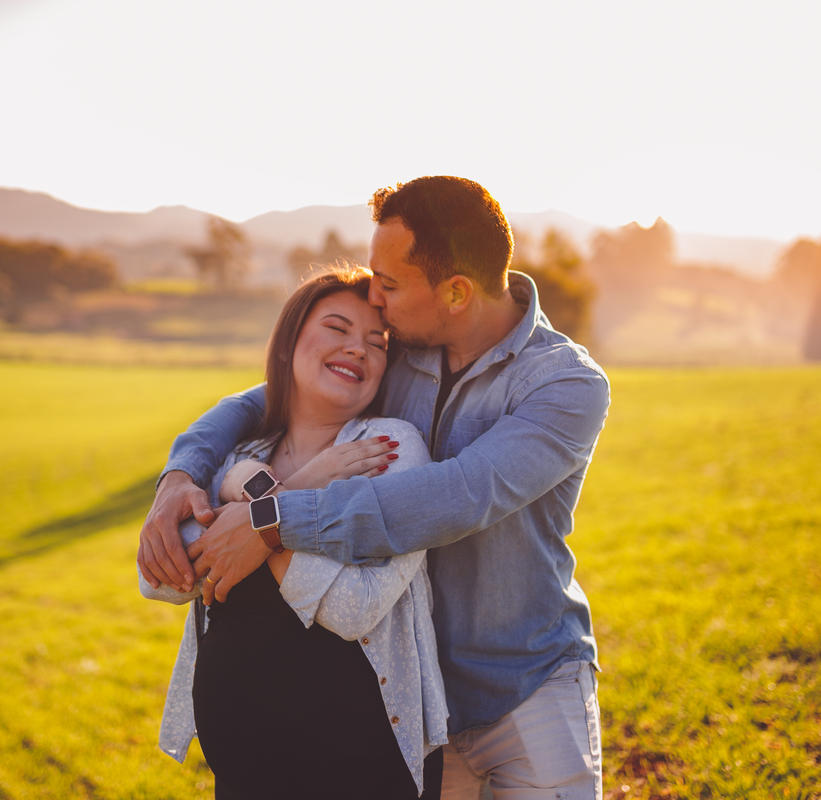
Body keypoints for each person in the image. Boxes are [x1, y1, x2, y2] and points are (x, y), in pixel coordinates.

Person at [140, 176, 611, 799]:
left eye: (387, 285)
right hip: (423, 702)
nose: (375, 301)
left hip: (528, 685)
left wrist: (273, 520)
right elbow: (261, 400)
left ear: (456, 292)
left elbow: (460, 495)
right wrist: (182, 472)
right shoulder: (401, 355)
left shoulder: (566, 385)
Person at [140, 268, 448, 799]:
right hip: (244, 775)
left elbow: (354, 609)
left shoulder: (389, 447)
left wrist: (257, 512)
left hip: (359, 769)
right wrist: (298, 485)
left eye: (377, 343)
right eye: (337, 328)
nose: (359, 350)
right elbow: (164, 580)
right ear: (288, 346)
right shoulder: (242, 454)